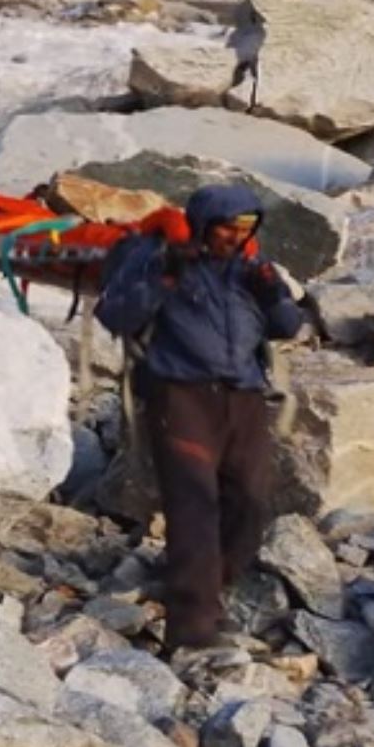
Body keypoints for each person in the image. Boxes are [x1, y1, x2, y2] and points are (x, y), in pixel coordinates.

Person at [94, 184, 305, 653]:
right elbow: (115, 314)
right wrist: (162, 281)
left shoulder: (250, 268)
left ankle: (211, 586)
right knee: (194, 507)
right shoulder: (159, 259)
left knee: (249, 504)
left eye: (247, 228)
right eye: (229, 227)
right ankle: (191, 631)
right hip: (181, 395)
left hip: (245, 396)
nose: (237, 236)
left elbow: (289, 327)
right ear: (204, 224)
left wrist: (274, 293)